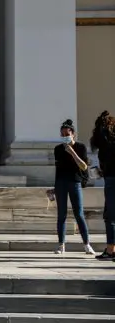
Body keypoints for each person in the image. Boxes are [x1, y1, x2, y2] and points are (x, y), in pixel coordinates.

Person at [52, 119, 95, 255]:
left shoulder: (81, 147)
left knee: (79, 214)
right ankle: (61, 245)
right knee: (62, 215)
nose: (65, 137)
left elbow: (83, 166)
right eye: (62, 134)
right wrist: (54, 188)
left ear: (73, 134)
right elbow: (58, 169)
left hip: (75, 182)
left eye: (67, 134)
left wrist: (72, 152)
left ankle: (87, 244)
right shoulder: (58, 149)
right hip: (61, 183)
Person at [90, 111, 115, 260]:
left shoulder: (104, 144)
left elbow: (106, 165)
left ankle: (111, 249)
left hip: (111, 179)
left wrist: (101, 171)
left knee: (110, 216)